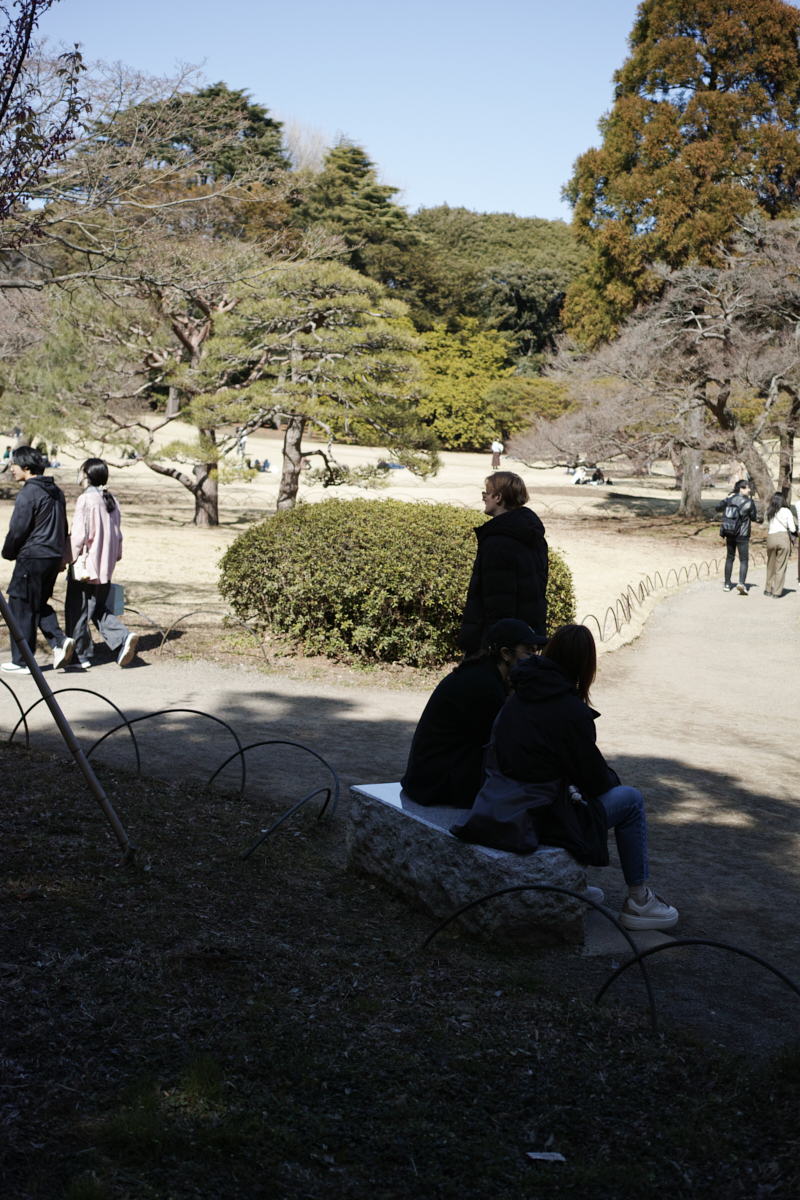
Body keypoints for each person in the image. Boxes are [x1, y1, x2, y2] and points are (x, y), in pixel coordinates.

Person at [451, 624, 679, 932]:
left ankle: (577, 885)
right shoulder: (570, 710)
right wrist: (610, 777)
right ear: (586, 666)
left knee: (586, 793)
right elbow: (596, 781)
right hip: (540, 816)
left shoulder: (518, 694)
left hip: (500, 803)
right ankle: (639, 901)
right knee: (631, 801)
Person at [401, 619, 548, 809]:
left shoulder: (483, 674)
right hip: (436, 785)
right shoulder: (485, 687)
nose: (534, 659)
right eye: (528, 651)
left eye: (536, 651)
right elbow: (504, 746)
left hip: (428, 777)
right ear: (505, 654)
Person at [1, 445, 74, 675]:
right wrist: (62, 555)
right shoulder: (56, 491)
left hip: (32, 557)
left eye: (14, 464)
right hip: (52, 557)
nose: (11, 469)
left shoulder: (28, 493)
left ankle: (22, 661)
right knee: (38, 603)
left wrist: (7, 552)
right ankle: (60, 643)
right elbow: (64, 527)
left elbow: (18, 529)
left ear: (26, 466)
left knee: (19, 603)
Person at [458, 472, 548, 653]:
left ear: (498, 497)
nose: (484, 499)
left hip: (503, 648)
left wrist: (489, 651)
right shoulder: (534, 536)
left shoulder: (498, 542)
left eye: (486, 494)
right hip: (528, 637)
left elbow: (498, 604)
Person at [65, 458, 139, 669]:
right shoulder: (111, 499)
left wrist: (66, 558)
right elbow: (118, 534)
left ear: (87, 474)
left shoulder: (85, 500)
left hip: (86, 567)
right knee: (97, 608)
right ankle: (123, 637)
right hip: (106, 566)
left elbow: (79, 536)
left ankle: (80, 656)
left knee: (77, 610)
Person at [716, 479, 760, 595]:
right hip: (742, 534)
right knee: (744, 559)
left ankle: (727, 584)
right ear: (741, 489)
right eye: (747, 487)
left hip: (729, 532)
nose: (749, 490)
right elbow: (755, 517)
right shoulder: (749, 502)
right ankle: (741, 582)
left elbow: (718, 508)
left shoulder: (730, 499)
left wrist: (727, 497)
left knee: (730, 557)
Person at [764, 492, 796, 599]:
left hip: (771, 538)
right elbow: (792, 529)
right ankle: (777, 592)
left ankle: (768, 589)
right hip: (783, 539)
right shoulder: (787, 511)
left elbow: (766, 524)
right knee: (781, 566)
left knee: (770, 565)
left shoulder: (769, 511)